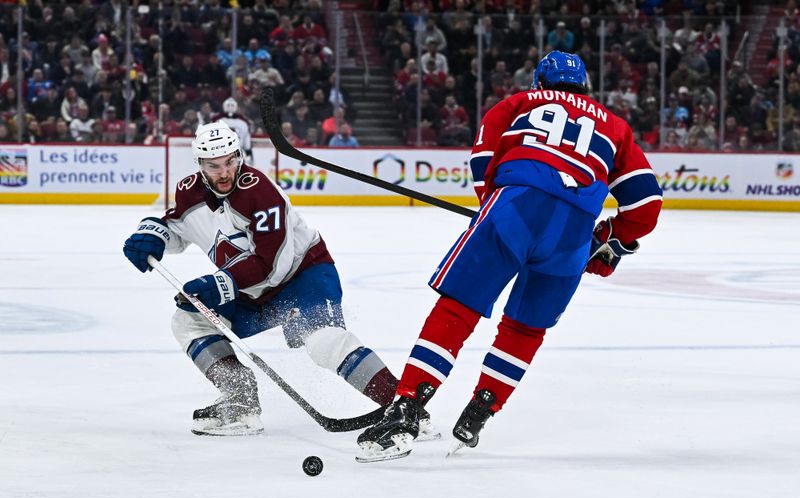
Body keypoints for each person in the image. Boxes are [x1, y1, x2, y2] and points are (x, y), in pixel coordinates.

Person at [356, 51, 663, 462]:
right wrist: (610, 239)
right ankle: (478, 414)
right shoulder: (616, 127)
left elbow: (484, 162)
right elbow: (646, 203)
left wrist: (492, 207)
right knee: (525, 329)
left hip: (514, 209)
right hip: (572, 235)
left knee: (458, 307)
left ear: (540, 81)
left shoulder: (518, 103)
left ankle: (407, 410)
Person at [123, 122, 434, 437]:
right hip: (248, 292)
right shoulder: (189, 192)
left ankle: (406, 411)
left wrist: (217, 286)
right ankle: (240, 399)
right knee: (188, 321)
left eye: (231, 161)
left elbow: (272, 265)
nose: (225, 172)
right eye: (214, 166)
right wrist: (153, 235)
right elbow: (176, 226)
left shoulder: (260, 192)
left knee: (323, 342)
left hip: (303, 276)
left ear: (240, 156)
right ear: (201, 166)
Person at [213, 98, 254, 164]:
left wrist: (249, 154)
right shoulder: (216, 121)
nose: (230, 107)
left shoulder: (243, 123)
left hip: (236, 153)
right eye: (228, 105)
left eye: (232, 105)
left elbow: (246, 141)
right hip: (220, 153)